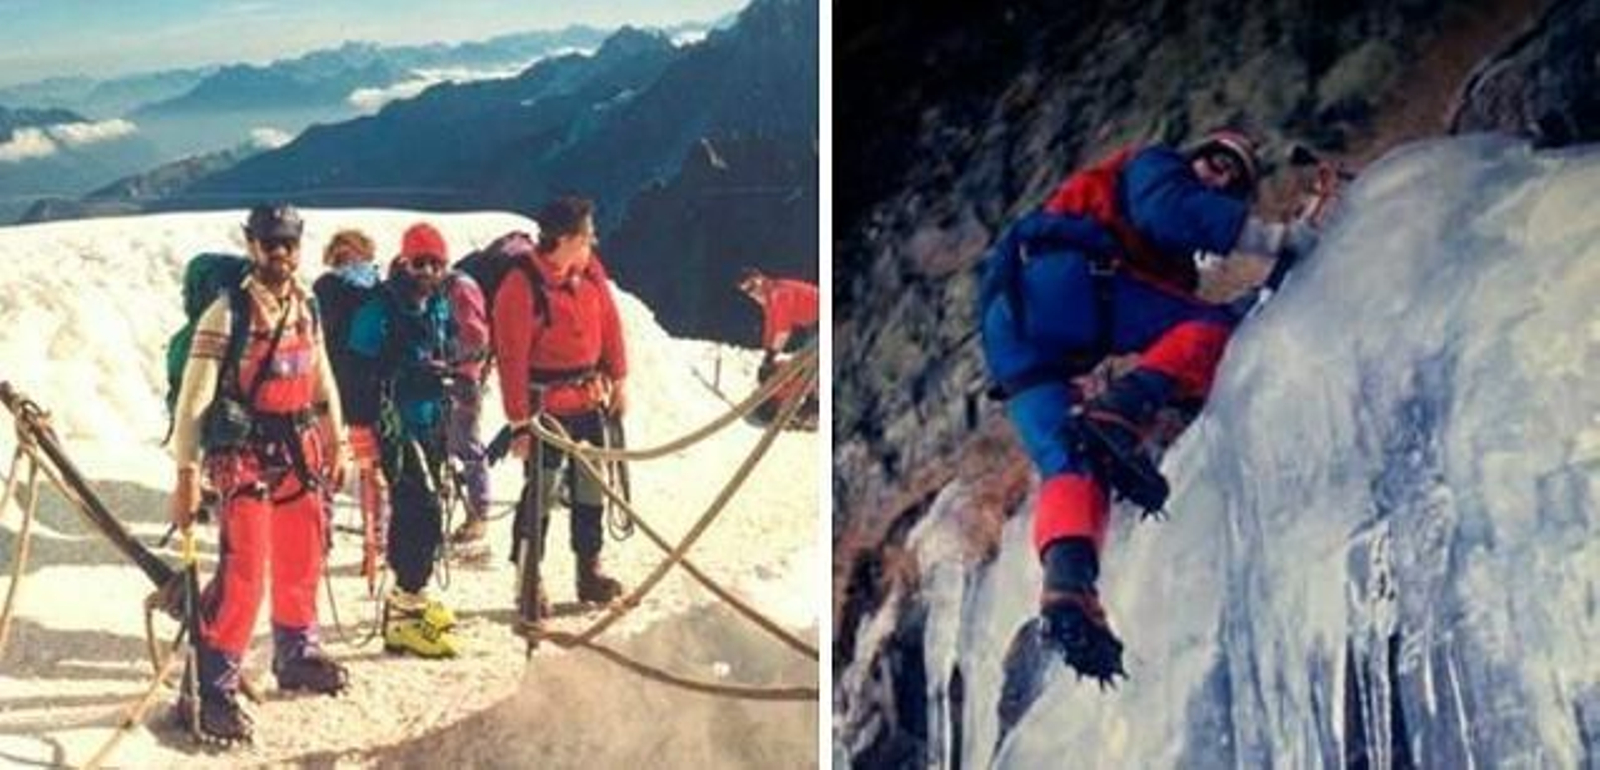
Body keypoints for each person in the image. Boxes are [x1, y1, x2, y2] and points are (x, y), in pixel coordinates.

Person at [979, 129, 1318, 682]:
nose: (1218, 177)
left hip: (1014, 333)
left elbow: (1173, 339)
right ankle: (1120, 410)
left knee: (1070, 463)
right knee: (1210, 330)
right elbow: (1168, 214)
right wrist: (1279, 241)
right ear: (1192, 157)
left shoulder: (1170, 267)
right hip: (1062, 285)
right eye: (1215, 162)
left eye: (1232, 180)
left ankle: (1069, 587)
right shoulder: (1153, 165)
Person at [168, 203, 350, 744]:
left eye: (289, 242)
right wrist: (186, 474)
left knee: (302, 555)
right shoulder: (228, 313)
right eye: (271, 242)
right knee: (244, 571)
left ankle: (297, 651)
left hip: (300, 448)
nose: (281, 252)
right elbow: (194, 400)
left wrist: (336, 441)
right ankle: (209, 687)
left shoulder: (306, 307)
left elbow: (321, 379)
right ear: (252, 244)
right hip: (246, 452)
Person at [493, 196, 627, 615]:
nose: (593, 240)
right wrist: (519, 422)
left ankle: (589, 569)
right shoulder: (521, 285)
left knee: (591, 489)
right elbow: (511, 358)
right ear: (566, 238)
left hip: (588, 398)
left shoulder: (588, 272)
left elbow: (609, 323)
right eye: (587, 234)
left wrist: (618, 377)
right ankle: (528, 577)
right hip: (545, 408)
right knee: (542, 492)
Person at [345, 222, 461, 658]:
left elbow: (448, 345)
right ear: (404, 261)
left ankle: (409, 601)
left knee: (424, 509)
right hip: (395, 423)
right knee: (419, 507)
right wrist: (362, 428)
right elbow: (357, 370)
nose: (428, 271)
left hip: (430, 421)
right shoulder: (380, 308)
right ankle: (406, 609)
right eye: (420, 262)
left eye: (436, 263)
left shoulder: (437, 304)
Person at [440, 266, 492, 553]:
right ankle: (475, 512)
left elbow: (475, 337)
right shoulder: (456, 287)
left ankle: (478, 514)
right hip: (460, 377)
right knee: (459, 444)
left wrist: (451, 359)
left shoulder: (457, 290)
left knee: (465, 445)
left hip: (460, 379)